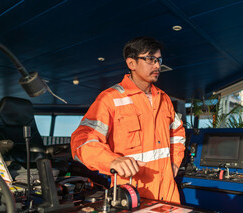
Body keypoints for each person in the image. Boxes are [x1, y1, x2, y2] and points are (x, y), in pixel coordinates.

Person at [71, 36, 186, 203]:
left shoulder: (164, 99)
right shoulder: (109, 99)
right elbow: (81, 141)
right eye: (150, 59)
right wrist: (111, 160)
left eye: (159, 60)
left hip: (169, 194)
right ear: (131, 64)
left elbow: (177, 132)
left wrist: (175, 162)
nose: (157, 65)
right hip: (132, 196)